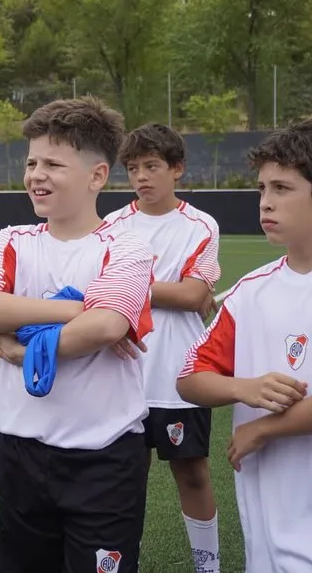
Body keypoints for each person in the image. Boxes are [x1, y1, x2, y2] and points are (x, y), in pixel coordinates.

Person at [0, 96, 155, 573]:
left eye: (53, 163)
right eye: (31, 162)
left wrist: (26, 349)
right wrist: (73, 309)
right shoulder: (11, 240)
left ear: (96, 176)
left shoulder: (127, 245)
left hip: (103, 454)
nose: (36, 174)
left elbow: (108, 325)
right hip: (18, 447)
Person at [176, 119, 312, 573]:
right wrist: (244, 389)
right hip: (265, 509)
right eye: (262, 189)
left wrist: (263, 429)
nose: (266, 203)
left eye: (282, 188)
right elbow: (189, 377)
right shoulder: (251, 290)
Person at [102, 123, 222, 573]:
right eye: (133, 168)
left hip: (177, 377)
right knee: (121, 480)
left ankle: (207, 564)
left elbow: (194, 297)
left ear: (177, 170)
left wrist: (132, 284)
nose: (141, 178)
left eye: (152, 166)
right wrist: (164, 288)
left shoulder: (200, 225)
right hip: (121, 374)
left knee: (191, 472)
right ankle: (115, 561)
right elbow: (100, 288)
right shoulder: (112, 224)